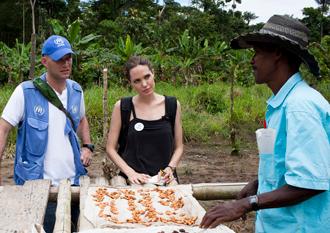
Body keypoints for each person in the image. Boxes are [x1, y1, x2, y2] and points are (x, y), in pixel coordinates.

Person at [200, 15, 330, 232]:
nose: (253, 60)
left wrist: (246, 204)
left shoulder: (300, 106)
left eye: (258, 53)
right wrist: (258, 184)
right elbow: (287, 165)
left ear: (277, 54)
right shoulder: (283, 104)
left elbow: (310, 182)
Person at [0, 35, 94, 231]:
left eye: (68, 58)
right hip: (40, 187)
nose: (66, 63)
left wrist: (87, 146)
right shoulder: (25, 92)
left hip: (74, 182)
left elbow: (81, 119)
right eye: (59, 59)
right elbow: (3, 128)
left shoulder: (76, 91)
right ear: (44, 61)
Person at [106, 56, 183, 186]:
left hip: (164, 179)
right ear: (130, 83)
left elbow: (179, 147)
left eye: (147, 77)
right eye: (137, 81)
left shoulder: (172, 105)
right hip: (131, 181)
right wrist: (130, 173)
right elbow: (110, 148)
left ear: (153, 73)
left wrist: (170, 168)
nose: (144, 84)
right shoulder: (123, 107)